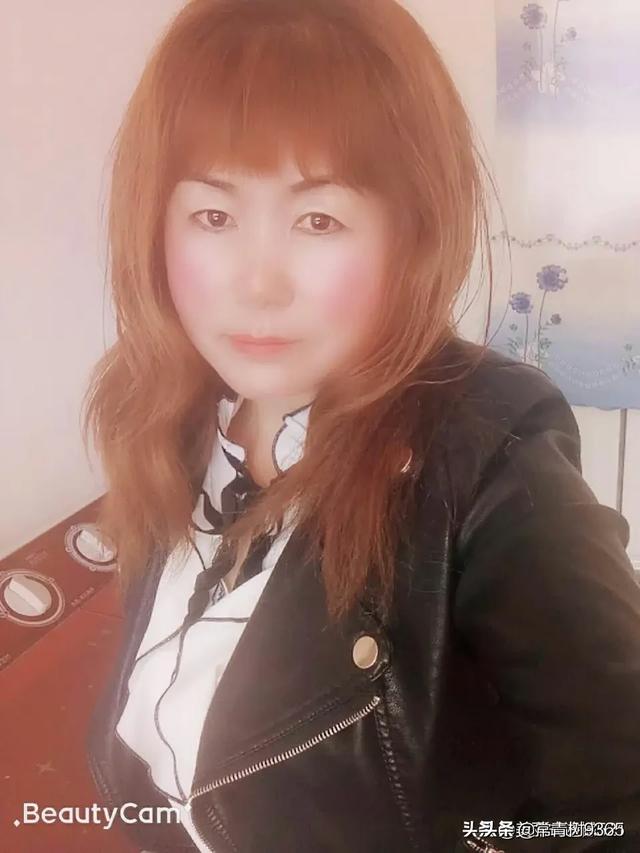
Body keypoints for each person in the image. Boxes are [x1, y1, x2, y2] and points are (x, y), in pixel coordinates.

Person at [83, 1, 640, 851]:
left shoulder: (488, 463)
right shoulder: (171, 424)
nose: (257, 284)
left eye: (318, 219)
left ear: (408, 234)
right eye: (214, 216)